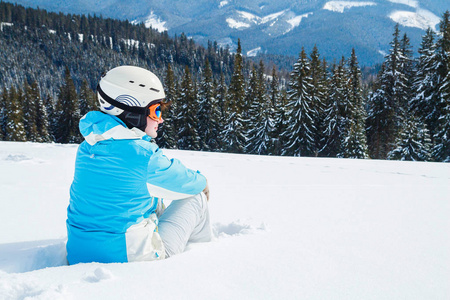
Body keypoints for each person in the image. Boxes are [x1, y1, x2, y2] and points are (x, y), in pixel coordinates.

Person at [66, 65, 212, 264]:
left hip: (78, 255)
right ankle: (204, 255)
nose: (160, 120)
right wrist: (203, 183)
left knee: (148, 195)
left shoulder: (87, 147)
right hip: (131, 260)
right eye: (156, 110)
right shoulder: (141, 155)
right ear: (132, 111)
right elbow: (188, 183)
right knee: (196, 196)